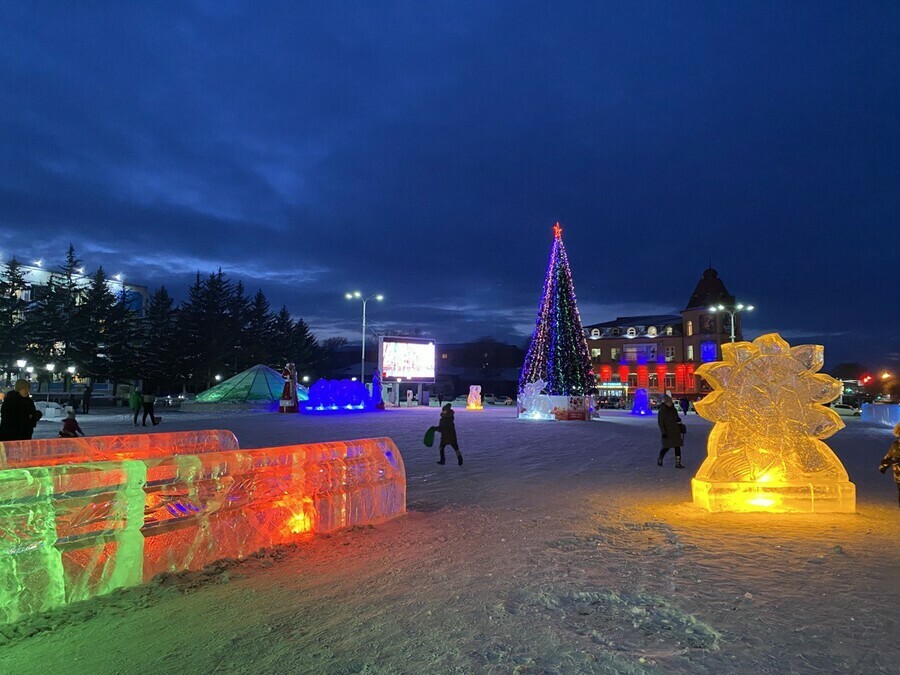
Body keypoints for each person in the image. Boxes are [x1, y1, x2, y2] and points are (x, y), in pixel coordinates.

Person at [657, 395, 685, 468]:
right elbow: (661, 423)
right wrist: (663, 432)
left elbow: (676, 418)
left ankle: (678, 463)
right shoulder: (662, 411)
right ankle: (660, 458)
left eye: (670, 402)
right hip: (668, 432)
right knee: (666, 447)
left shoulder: (673, 410)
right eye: (668, 402)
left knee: (677, 447)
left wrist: (678, 420)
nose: (670, 403)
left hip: (675, 431)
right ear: (665, 402)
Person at [879, 422, 900, 508]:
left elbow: (888, 457)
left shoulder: (896, 444)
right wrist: (884, 465)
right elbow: (888, 457)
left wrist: (884, 465)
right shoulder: (895, 444)